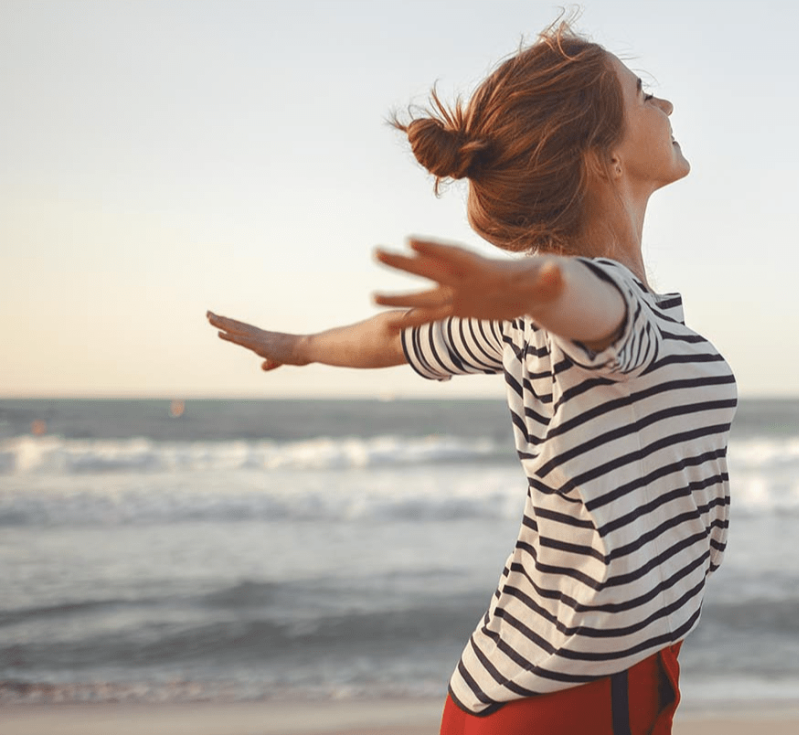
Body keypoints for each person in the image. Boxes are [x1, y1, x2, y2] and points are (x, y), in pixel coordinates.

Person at [207, 19, 735, 735]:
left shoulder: (531, 318)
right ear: (605, 157)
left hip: (553, 681)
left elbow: (398, 336)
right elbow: (587, 301)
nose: (665, 105)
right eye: (643, 94)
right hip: (570, 697)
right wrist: (532, 285)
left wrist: (299, 345)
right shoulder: (598, 304)